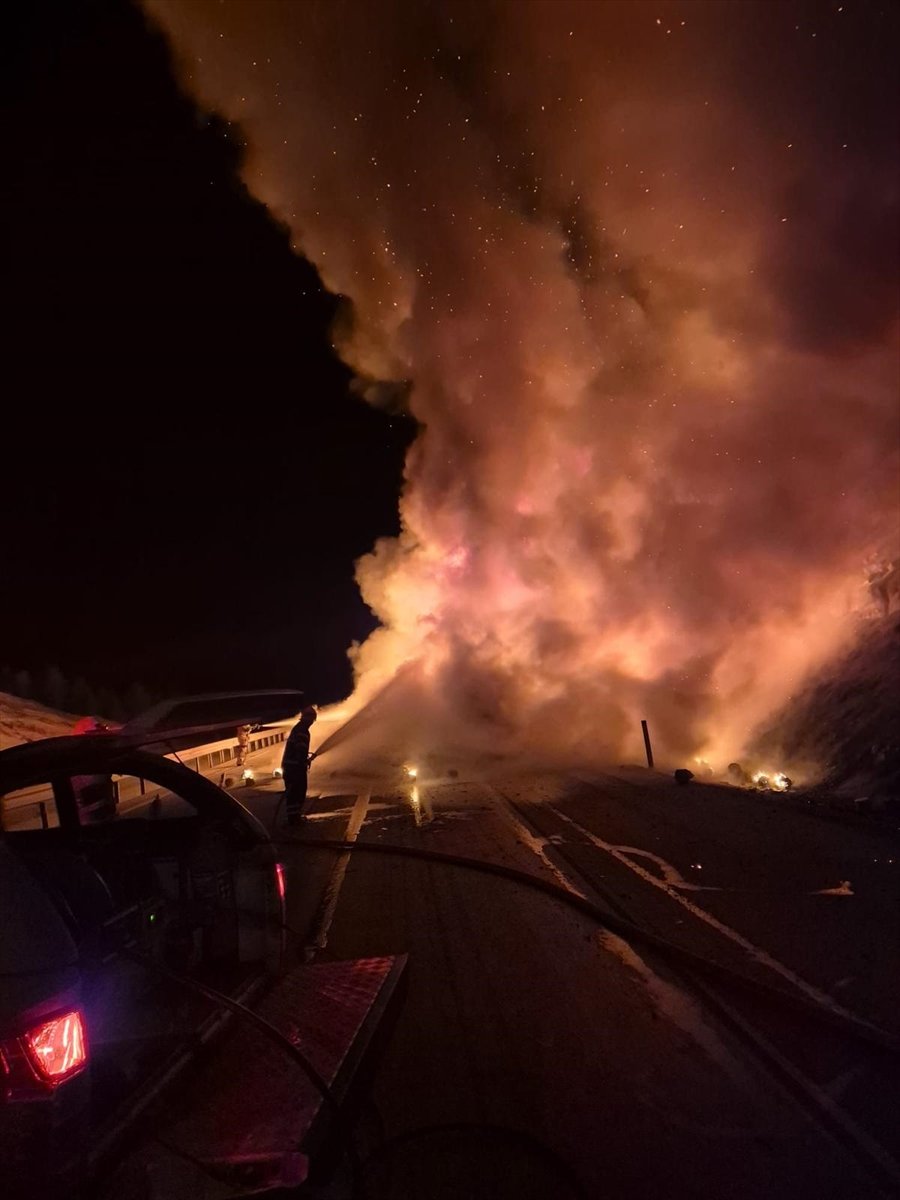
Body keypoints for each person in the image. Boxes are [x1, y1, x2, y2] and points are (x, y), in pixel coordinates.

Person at [281, 707, 317, 825]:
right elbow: (300, 750)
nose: (312, 722)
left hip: (291, 767)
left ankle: (294, 817)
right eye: (312, 719)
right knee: (297, 793)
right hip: (295, 769)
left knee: (294, 793)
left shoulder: (299, 728)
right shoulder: (302, 731)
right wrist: (303, 761)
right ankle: (294, 820)